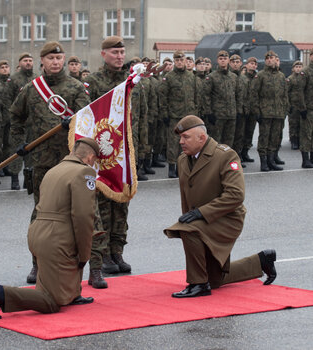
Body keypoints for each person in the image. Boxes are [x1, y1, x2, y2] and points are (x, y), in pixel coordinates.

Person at [0, 138, 100, 320]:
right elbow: (83, 217)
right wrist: (85, 255)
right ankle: (0, 293)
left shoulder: (53, 170)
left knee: (52, 284)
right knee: (51, 301)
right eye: (95, 161)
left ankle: (72, 294)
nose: (94, 164)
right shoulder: (84, 172)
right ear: (90, 157)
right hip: (56, 239)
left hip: (38, 232)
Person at [163, 115, 277, 298]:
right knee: (215, 279)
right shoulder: (183, 160)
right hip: (200, 220)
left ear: (202, 137)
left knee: (187, 230)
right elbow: (187, 196)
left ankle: (198, 284)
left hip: (226, 218)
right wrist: (192, 216)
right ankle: (262, 261)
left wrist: (200, 214)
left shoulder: (225, 155)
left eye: (186, 137)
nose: (181, 142)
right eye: (180, 138)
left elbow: (236, 195)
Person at [10, 41, 90, 284]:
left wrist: (73, 125)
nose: (56, 62)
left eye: (59, 58)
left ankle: (69, 265)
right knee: (42, 214)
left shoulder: (77, 88)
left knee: (72, 213)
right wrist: (20, 143)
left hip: (71, 164)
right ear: (42, 61)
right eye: (50, 59)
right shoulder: (32, 89)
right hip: (42, 161)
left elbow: (88, 122)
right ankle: (37, 263)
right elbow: (16, 116)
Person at [84, 36, 147, 288]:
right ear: (103, 54)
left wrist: (141, 148)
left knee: (122, 201)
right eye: (114, 52)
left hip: (126, 150)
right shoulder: (93, 82)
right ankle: (103, 254)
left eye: (122, 52)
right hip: (103, 151)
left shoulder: (131, 82)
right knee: (102, 204)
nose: (119, 56)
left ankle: (117, 250)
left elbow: (138, 117)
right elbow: (88, 118)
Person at [158, 50, 197, 178]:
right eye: (177, 60)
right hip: (174, 115)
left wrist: (195, 112)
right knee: (174, 142)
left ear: (185, 60)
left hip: (188, 115)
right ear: (174, 61)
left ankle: (184, 166)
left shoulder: (191, 76)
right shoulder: (169, 77)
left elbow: (196, 95)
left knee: (188, 142)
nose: (180, 62)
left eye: (182, 60)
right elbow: (163, 96)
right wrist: (165, 114)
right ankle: (172, 166)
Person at [251, 51, 288, 171]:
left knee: (275, 137)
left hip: (278, 112)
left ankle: (271, 160)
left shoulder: (281, 76)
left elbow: (284, 94)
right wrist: (257, 111)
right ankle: (263, 162)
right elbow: (254, 94)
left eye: (272, 58)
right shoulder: (260, 75)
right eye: (268, 58)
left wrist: (285, 109)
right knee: (264, 137)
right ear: (266, 61)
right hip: (265, 112)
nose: (270, 60)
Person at [6, 52, 37, 190]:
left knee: (31, 150)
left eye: (30, 60)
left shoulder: (37, 79)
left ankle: (28, 178)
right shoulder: (13, 79)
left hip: (33, 122)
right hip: (19, 121)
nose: (28, 63)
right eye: (25, 60)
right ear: (20, 63)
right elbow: (7, 99)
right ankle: (14, 178)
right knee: (16, 150)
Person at [203, 50, 243, 147]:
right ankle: (215, 161)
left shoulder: (233, 77)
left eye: (225, 59)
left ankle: (226, 161)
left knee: (229, 141)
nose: (223, 61)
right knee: (215, 142)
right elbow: (206, 95)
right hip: (217, 115)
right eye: (221, 59)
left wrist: (238, 111)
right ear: (217, 60)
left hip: (231, 115)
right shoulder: (212, 77)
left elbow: (238, 95)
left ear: (228, 60)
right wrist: (209, 112)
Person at [301, 49, 313, 167]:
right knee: (306, 134)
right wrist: (302, 107)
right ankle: (305, 159)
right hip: (308, 108)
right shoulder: (305, 72)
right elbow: (300, 92)